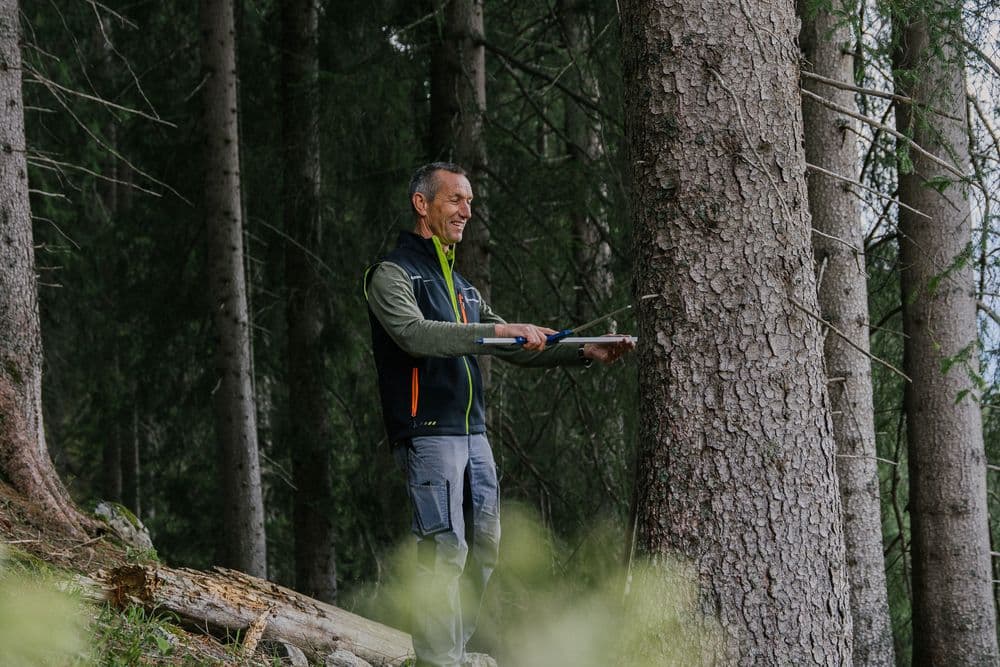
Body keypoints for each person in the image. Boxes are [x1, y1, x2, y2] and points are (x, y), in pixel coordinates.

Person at [364, 162, 632, 667]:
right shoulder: (393, 274)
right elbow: (415, 334)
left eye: (469, 201)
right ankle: (437, 660)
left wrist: (582, 350)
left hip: (475, 436)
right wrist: (497, 332)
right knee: (443, 553)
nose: (467, 211)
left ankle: (455, 655)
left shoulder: (463, 286)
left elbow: (510, 343)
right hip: (428, 434)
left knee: (481, 551)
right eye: (455, 200)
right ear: (423, 205)